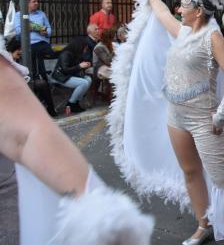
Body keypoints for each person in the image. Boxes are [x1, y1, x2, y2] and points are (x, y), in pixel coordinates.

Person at [0, 49, 153, 245]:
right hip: (64, 77)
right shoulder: (84, 49)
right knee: (85, 82)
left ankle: (73, 105)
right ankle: (73, 104)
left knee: (85, 82)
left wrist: (96, 211)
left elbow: (25, 134)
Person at [140, 0, 224, 244]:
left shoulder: (212, 37)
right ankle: (204, 224)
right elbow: (162, 13)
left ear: (199, 11)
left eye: (183, 5)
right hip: (175, 116)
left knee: (222, 179)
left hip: (204, 119)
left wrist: (221, 116)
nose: (179, 10)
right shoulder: (182, 32)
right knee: (190, 171)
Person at [6, 37, 57, 117]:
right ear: (12, 49)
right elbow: (23, 71)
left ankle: (50, 109)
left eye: (22, 49)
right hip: (11, 86)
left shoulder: (23, 57)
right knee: (41, 84)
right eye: (19, 49)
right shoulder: (6, 59)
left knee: (42, 84)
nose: (21, 52)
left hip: (24, 82)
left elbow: (30, 72)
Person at [14, 0, 53, 80]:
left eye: (37, 1)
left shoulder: (41, 14)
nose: (37, 3)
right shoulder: (19, 15)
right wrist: (32, 28)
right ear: (27, 3)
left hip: (43, 44)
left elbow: (49, 29)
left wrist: (46, 32)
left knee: (37, 52)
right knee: (34, 53)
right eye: (34, 1)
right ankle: (41, 78)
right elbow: (18, 31)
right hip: (29, 44)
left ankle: (37, 78)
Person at [50, 36, 92, 114]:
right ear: (80, 46)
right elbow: (65, 70)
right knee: (84, 82)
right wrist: (79, 66)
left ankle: (76, 102)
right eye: (85, 47)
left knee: (88, 79)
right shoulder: (65, 54)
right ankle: (70, 104)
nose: (85, 50)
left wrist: (85, 65)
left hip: (69, 75)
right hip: (60, 77)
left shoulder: (76, 54)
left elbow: (76, 68)